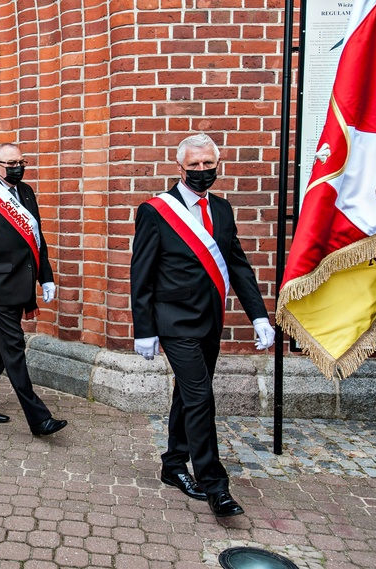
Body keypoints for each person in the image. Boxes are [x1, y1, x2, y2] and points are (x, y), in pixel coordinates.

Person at [130, 133, 276, 518]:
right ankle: (215, 486)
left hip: (210, 320)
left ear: (217, 164)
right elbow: (140, 274)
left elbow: (238, 266)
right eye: (193, 165)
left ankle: (173, 464)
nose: (201, 171)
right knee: (200, 399)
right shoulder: (156, 211)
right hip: (174, 321)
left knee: (188, 395)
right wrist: (144, 328)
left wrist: (259, 315)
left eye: (207, 164)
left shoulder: (223, 209)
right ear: (180, 167)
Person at [0, 143, 66, 436]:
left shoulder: (26, 192)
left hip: (21, 284)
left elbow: (37, 239)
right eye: (10, 163)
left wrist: (46, 277)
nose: (17, 167)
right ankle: (38, 417)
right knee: (14, 347)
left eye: (20, 162)